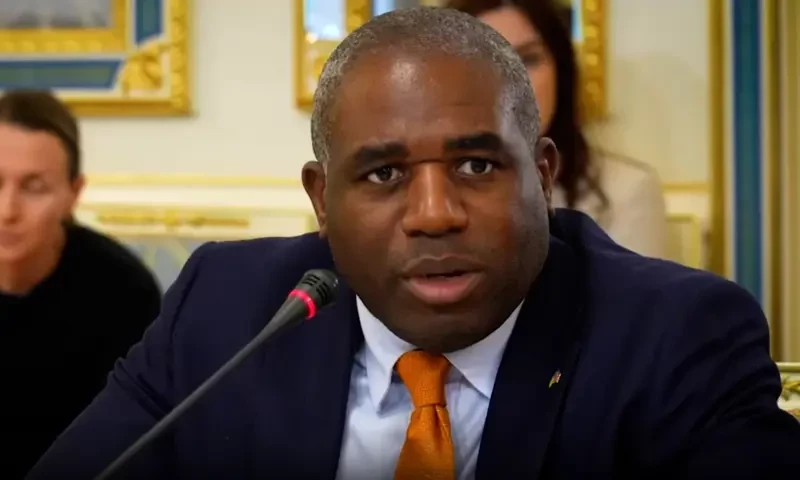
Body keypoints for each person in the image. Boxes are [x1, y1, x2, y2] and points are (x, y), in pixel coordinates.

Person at [28, 7, 800, 480]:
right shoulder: (226, 309)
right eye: (384, 174)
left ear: (542, 174)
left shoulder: (675, 336)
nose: (434, 214)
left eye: (476, 165)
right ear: (320, 200)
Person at [0, 90, 162, 478]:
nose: (7, 211)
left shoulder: (123, 291)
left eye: (34, 187)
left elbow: (137, 447)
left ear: (73, 193)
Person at [448, 0, 668, 258]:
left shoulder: (626, 192)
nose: (511, 83)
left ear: (560, 71)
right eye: (483, 63)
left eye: (528, 59)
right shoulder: (425, 195)